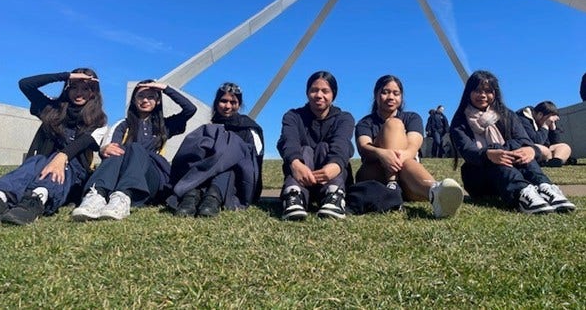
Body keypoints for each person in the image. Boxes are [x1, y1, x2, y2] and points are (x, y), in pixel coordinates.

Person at [0, 69, 107, 225]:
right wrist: (66, 76)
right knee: (35, 162)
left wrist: (61, 157)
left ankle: (37, 200)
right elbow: (25, 84)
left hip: (74, 171)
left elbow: (81, 144)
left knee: (57, 166)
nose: (79, 93)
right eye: (74, 87)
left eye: (85, 88)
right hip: (40, 163)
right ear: (67, 88)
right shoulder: (52, 108)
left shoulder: (99, 121)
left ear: (93, 93)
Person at [449, 70, 575, 214]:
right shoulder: (460, 121)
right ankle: (522, 194)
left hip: (514, 166)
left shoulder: (506, 114)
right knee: (496, 154)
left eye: (488, 91)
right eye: (477, 90)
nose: (482, 95)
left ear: (495, 94)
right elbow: (468, 151)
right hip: (479, 176)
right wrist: (490, 153)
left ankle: (545, 187)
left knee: (522, 152)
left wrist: (530, 150)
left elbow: (523, 140)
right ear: (468, 92)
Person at [71, 80, 197, 221]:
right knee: (116, 150)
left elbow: (190, 109)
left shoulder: (165, 125)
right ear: (134, 100)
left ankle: (123, 197)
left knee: (135, 148)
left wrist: (165, 88)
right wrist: (104, 150)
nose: (145, 100)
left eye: (150, 97)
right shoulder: (123, 125)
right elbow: (111, 151)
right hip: (123, 173)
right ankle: (97, 195)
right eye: (141, 96)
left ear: (158, 101)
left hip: (152, 176)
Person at [355, 75, 463, 218]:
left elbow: (413, 146)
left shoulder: (412, 118)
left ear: (401, 97)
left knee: (407, 161)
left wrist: (396, 160)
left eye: (396, 93)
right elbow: (364, 147)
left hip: (407, 177)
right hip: (375, 175)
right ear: (376, 95)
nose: (391, 97)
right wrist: (382, 154)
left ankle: (434, 193)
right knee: (393, 124)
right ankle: (394, 184)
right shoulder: (365, 122)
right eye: (385, 92)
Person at [167, 82, 264, 217]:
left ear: (239, 105)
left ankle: (212, 199)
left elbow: (254, 161)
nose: (228, 106)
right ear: (216, 102)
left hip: (232, 177)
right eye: (223, 101)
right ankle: (190, 196)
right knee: (202, 162)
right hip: (204, 172)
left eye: (233, 102)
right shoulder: (208, 129)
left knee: (226, 167)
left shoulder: (249, 129)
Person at [278, 71, 354, 221]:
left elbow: (342, 144)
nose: (319, 95)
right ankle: (294, 196)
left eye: (325, 91)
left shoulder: (344, 118)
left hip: (331, 176)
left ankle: (334, 196)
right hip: (301, 176)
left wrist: (335, 166)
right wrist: (296, 164)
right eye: (314, 90)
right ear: (307, 93)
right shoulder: (293, 116)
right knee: (304, 150)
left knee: (324, 147)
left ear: (333, 95)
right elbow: (288, 141)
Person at [516, 101, 572, 167]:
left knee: (564, 147)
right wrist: (545, 126)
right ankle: (551, 160)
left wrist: (553, 128)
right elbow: (536, 141)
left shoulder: (542, 120)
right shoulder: (523, 119)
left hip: (545, 149)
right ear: (540, 115)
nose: (550, 122)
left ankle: (556, 161)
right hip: (527, 147)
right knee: (545, 150)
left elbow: (555, 143)